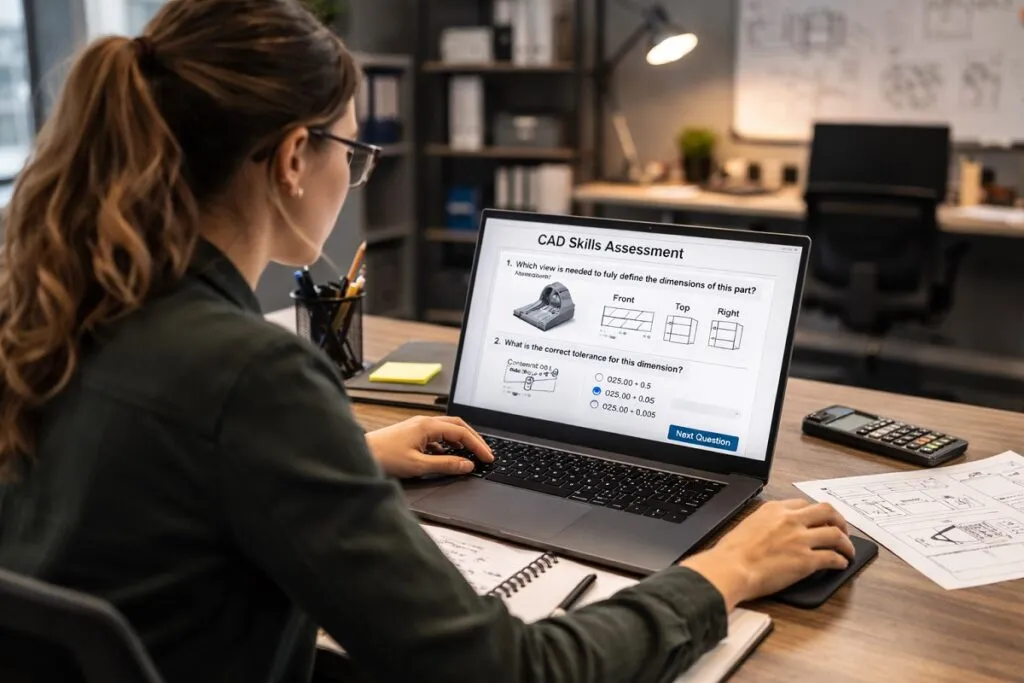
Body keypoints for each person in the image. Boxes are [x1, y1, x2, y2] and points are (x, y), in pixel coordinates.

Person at [0, 1, 855, 682]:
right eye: (353, 147)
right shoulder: (250, 374)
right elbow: (506, 669)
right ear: (295, 156)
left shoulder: (67, 309)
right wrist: (725, 572)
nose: (355, 170)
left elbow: (155, 478)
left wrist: (347, 453)